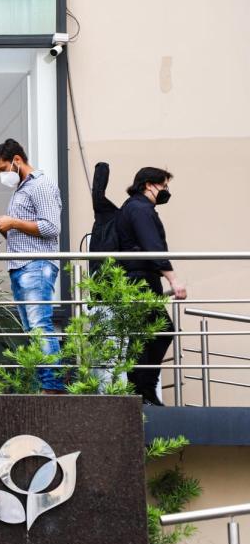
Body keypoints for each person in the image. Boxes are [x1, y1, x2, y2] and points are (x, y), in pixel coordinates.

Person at [0, 138, 64, 394]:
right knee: (33, 329)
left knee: (40, 326)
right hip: (22, 266)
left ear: (17, 161)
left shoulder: (39, 185)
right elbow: (27, 229)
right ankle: (46, 385)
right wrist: (5, 227)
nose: (2, 176)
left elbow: (52, 228)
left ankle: (52, 387)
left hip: (36, 265)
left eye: (2, 169)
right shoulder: (20, 190)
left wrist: (13, 223)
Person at [117, 167, 187, 406]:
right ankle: (141, 391)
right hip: (140, 280)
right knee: (158, 331)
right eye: (164, 186)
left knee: (150, 333)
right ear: (149, 184)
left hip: (139, 278)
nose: (166, 192)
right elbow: (153, 246)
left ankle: (141, 391)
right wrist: (173, 279)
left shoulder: (133, 207)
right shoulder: (140, 209)